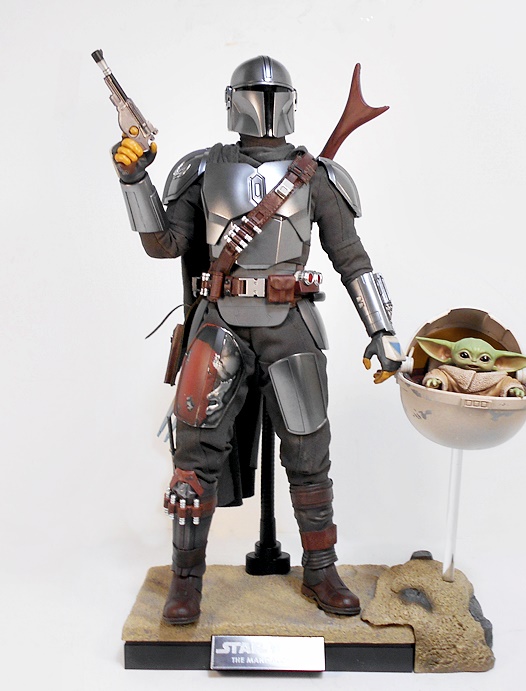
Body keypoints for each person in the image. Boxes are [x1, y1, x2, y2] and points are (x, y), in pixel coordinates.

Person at [112, 56, 403, 624]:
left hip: (291, 325)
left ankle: (321, 570)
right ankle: (186, 581)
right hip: (219, 322)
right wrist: (135, 178)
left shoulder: (318, 176)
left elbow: (351, 258)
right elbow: (163, 244)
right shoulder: (200, 169)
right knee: (194, 457)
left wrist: (382, 329)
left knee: (309, 455)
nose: (264, 105)